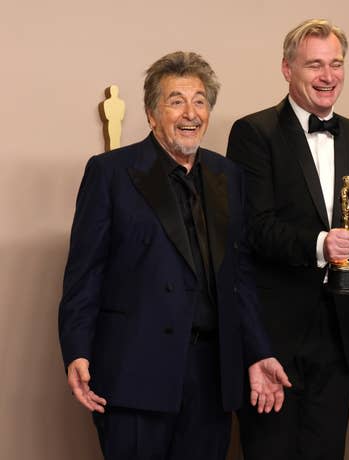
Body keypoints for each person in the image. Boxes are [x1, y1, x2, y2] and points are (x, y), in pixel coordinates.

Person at [58, 51, 290, 460]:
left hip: (211, 376)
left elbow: (238, 276)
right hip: (134, 372)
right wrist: (77, 350)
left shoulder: (228, 176)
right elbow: (84, 275)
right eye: (176, 100)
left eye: (200, 100)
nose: (191, 113)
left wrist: (257, 352)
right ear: (151, 114)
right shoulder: (110, 173)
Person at [226, 19, 349, 460]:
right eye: (314, 64)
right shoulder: (253, 132)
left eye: (336, 64)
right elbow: (254, 227)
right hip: (273, 337)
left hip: (336, 335)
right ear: (287, 69)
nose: (328, 76)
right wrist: (321, 245)